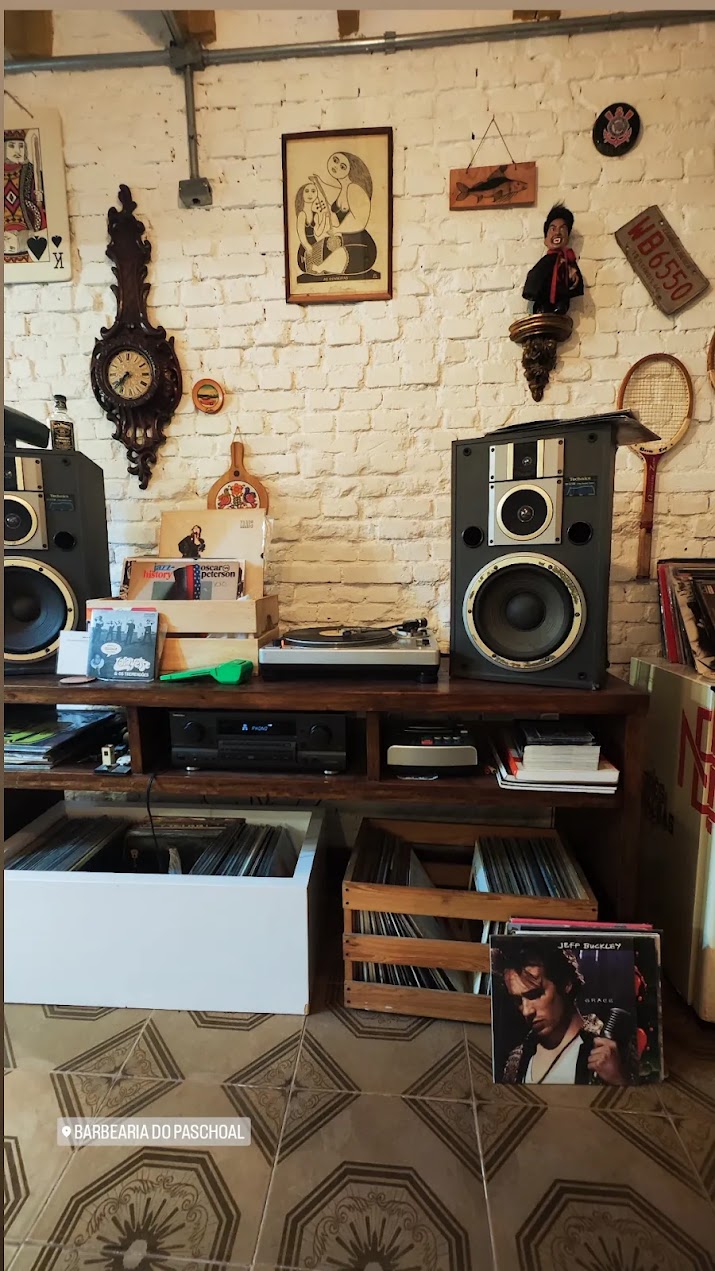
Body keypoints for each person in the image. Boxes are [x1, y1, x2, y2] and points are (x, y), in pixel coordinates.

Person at [494, 943, 635, 1085]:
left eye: (535, 995)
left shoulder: (610, 1050)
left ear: (565, 984)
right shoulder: (518, 1059)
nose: (526, 1011)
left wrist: (618, 1079)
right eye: (518, 1000)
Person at [313, 151, 379, 279]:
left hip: (362, 247)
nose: (336, 167)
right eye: (335, 160)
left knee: (337, 257)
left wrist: (337, 229)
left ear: (350, 170)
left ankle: (322, 267)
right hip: (345, 242)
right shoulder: (344, 188)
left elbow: (360, 221)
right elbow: (328, 190)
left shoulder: (354, 189)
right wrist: (318, 182)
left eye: (342, 167)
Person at [522, 204, 584, 315]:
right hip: (544, 297)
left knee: (562, 301)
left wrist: (574, 276)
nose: (557, 232)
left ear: (568, 237)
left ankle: (560, 306)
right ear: (545, 240)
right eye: (553, 229)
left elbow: (575, 279)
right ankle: (543, 308)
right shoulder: (546, 261)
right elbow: (536, 275)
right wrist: (531, 291)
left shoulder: (568, 260)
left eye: (562, 229)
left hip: (561, 295)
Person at [4, 129, 46, 264]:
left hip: (27, 218)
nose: (17, 150)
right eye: (11, 146)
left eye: (21, 146)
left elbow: (37, 193)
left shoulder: (29, 169)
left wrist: (38, 202)